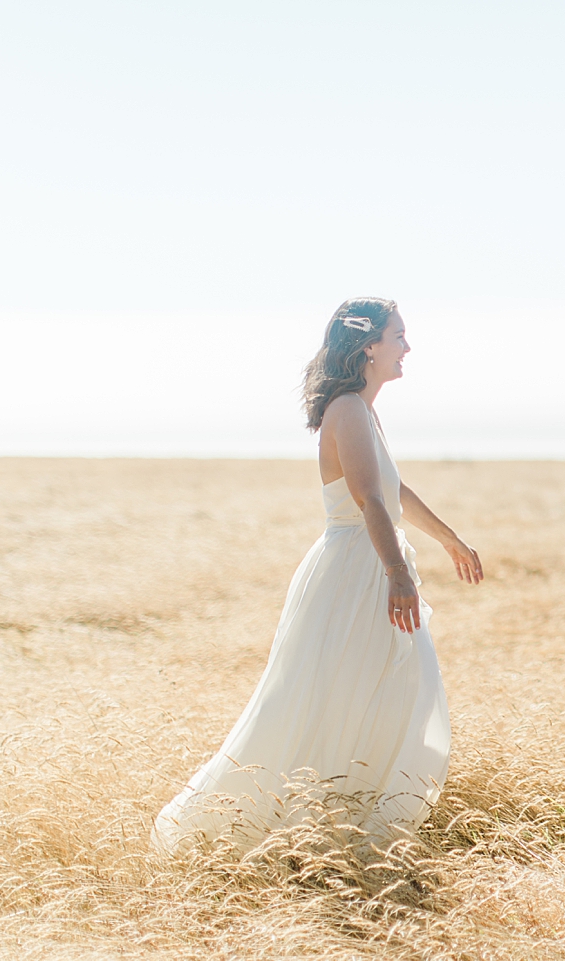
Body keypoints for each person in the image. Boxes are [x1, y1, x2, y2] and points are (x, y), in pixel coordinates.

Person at [155, 297, 483, 854]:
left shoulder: (363, 410)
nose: (408, 346)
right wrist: (400, 575)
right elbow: (368, 500)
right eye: (399, 336)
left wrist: (449, 538)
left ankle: (348, 820)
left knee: (385, 690)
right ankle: (290, 822)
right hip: (356, 572)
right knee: (331, 695)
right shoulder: (348, 408)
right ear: (368, 346)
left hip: (370, 562)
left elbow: (393, 490)